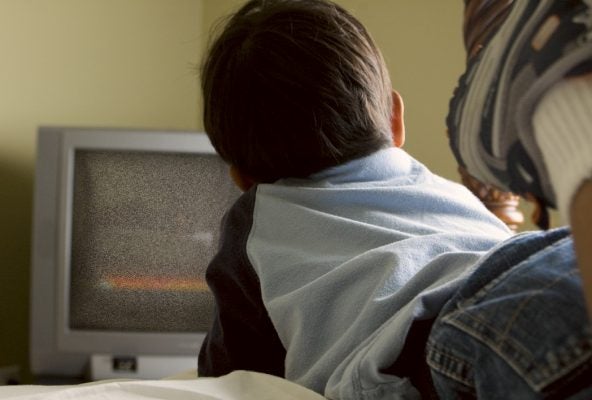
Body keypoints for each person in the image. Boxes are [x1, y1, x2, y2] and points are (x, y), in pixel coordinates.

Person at [197, 0, 592, 399]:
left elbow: (230, 380)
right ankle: (575, 112)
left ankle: (567, 107)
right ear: (397, 120)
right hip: (553, 257)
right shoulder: (444, 191)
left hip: (451, 332)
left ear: (241, 178)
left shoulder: (257, 218)